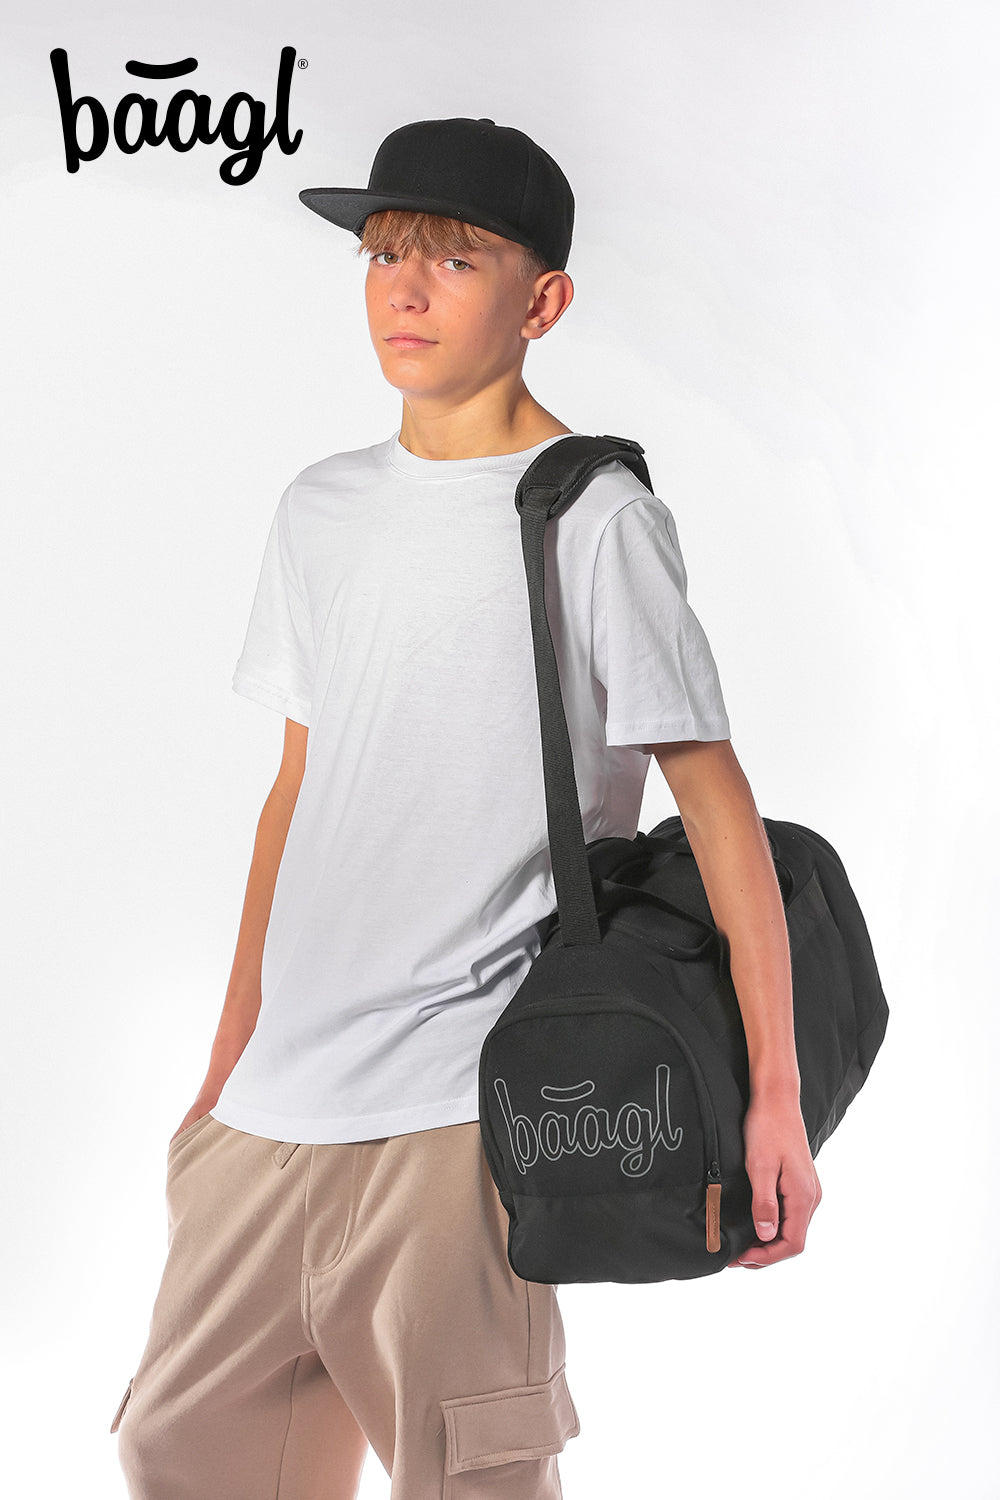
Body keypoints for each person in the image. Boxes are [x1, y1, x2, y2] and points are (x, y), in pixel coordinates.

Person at [112, 116, 821, 1500]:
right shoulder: (319, 510)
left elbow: (717, 804)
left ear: (541, 302)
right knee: (174, 1452)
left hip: (457, 1114)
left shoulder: (595, 518)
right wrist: (220, 1077)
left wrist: (775, 1096)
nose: (407, 288)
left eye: (455, 258)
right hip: (267, 1116)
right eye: (385, 255)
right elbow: (296, 797)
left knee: (470, 1477)